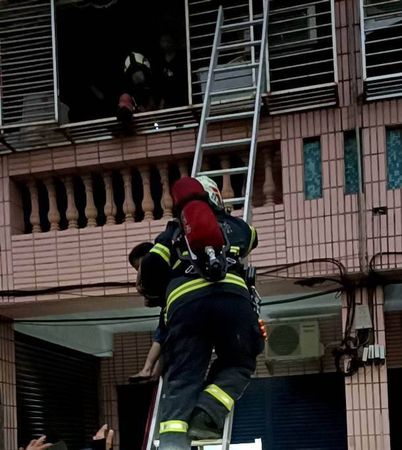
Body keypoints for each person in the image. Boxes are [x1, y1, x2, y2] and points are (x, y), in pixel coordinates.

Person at [140, 176, 264, 450]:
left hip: (185, 306)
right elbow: (253, 238)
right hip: (233, 300)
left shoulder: (172, 232)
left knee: (183, 376)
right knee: (239, 361)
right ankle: (207, 413)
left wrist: (157, 290)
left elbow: (151, 267)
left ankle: (173, 441)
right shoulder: (235, 227)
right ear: (216, 197)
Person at [127, 242, 167, 383]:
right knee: (164, 339)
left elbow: (143, 292)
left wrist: (141, 272)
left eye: (138, 267)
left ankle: (148, 369)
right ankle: (154, 372)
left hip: (173, 308)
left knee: (160, 336)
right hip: (173, 307)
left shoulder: (155, 265)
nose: (139, 272)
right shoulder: (167, 262)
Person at [116, 52, 156, 124]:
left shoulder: (155, 86)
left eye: (139, 72)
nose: (137, 77)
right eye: (134, 73)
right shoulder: (127, 94)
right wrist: (125, 110)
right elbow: (124, 103)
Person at [153, 31, 188, 109]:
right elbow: (158, 82)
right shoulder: (159, 61)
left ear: (173, 42)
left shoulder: (181, 58)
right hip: (166, 101)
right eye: (163, 41)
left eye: (168, 41)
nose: (166, 44)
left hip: (181, 98)